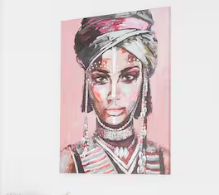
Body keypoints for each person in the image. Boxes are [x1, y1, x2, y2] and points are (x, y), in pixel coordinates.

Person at [60, 10, 170, 174]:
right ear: (88, 82)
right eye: (101, 79)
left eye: (128, 77)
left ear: (144, 81)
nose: (113, 94)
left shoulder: (164, 160)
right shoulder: (69, 161)